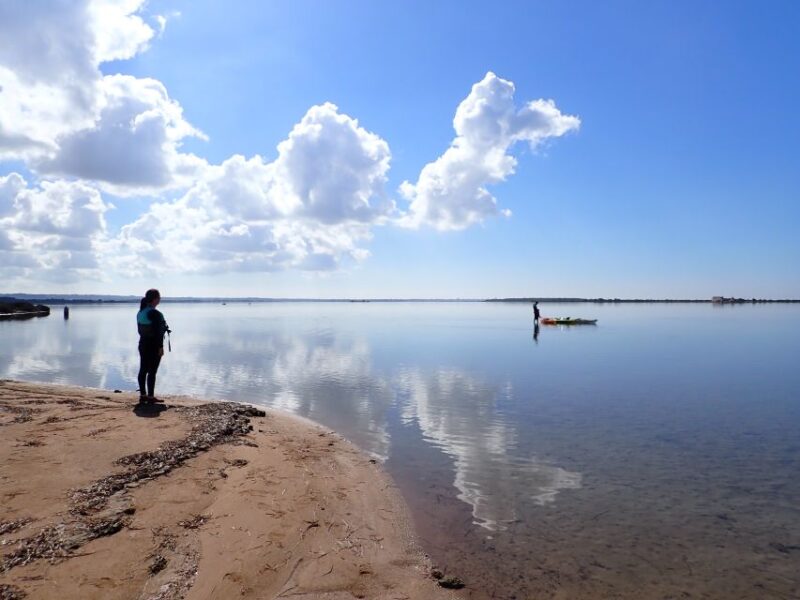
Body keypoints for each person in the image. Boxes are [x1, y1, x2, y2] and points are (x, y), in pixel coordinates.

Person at [136, 289, 170, 403]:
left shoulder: (140, 312)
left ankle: (143, 395)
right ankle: (150, 397)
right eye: (159, 297)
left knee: (143, 369)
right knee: (152, 371)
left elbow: (140, 330)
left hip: (142, 344)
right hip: (153, 345)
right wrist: (160, 347)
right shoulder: (155, 313)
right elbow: (158, 332)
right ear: (155, 299)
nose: (160, 299)